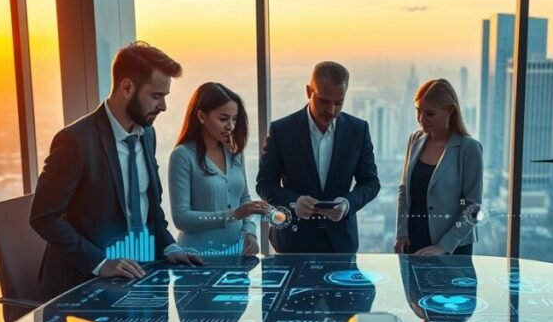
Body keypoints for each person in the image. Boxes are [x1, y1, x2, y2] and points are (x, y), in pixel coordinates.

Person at [30, 41, 204, 301]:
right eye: (157, 96)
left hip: (138, 276)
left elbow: (149, 206)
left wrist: (169, 246)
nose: (164, 106)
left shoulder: (147, 134)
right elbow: (43, 217)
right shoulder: (75, 141)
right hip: (84, 286)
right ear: (126, 88)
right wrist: (100, 263)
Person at [256, 61, 380, 253]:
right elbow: (264, 184)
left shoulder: (358, 130)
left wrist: (347, 204)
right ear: (308, 92)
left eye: (339, 102)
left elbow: (371, 183)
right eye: (324, 101)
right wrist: (294, 202)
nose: (331, 110)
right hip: (292, 242)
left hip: (341, 243)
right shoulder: (281, 130)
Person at [169, 82, 270, 256]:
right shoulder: (182, 156)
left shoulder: (235, 152)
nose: (230, 126)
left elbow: (244, 200)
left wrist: (250, 234)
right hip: (196, 258)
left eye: (234, 119)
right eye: (223, 119)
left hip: (237, 257)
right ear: (201, 116)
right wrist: (233, 215)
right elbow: (181, 218)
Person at [394, 78, 483, 256]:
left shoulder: (469, 148)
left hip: (453, 247)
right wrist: (401, 232)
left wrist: (444, 246)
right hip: (413, 242)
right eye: (418, 111)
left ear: (450, 111)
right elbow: (404, 190)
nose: (421, 119)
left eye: (430, 113)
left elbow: (473, 207)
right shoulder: (415, 139)